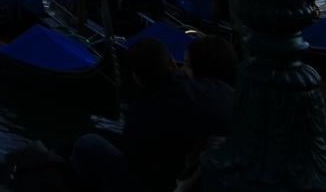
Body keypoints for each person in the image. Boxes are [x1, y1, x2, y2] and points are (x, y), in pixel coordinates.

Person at [70, 37, 234, 192]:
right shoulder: (221, 92)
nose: (184, 69)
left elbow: (136, 163)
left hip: (166, 182)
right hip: (205, 175)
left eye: (187, 65)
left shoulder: (142, 112)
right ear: (171, 63)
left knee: (87, 143)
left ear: (136, 77)